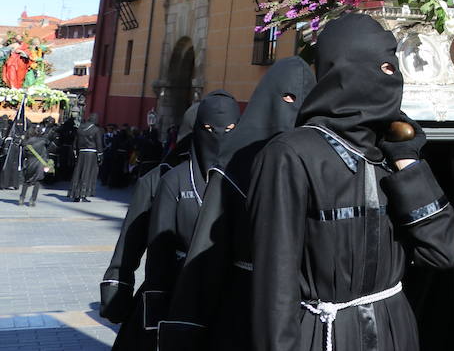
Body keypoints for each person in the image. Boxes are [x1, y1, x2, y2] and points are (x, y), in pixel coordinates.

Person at [249, 13, 454, 351]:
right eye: (385, 67)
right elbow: (275, 287)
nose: (395, 78)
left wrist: (407, 162)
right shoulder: (290, 155)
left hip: (394, 331)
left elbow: (440, 253)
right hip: (326, 334)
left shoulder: (392, 151)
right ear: (350, 68)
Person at [159, 57, 316, 351]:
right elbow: (208, 251)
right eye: (287, 98)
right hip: (244, 298)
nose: (293, 109)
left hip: (307, 307)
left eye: (302, 101)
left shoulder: (320, 161)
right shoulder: (234, 164)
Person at [144, 91, 241, 335]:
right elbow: (159, 250)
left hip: (230, 292)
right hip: (182, 288)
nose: (219, 136)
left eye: (230, 129)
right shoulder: (173, 181)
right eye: (209, 128)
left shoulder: (246, 181)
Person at [100, 105, 197, 351]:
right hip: (164, 289)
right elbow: (130, 242)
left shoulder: (231, 180)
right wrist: (117, 287)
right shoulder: (156, 179)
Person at [69, 112, 102, 202]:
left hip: (81, 153)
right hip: (91, 154)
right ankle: (83, 194)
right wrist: (100, 156)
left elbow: (75, 143)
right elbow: (99, 144)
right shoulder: (96, 129)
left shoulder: (80, 129)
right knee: (88, 173)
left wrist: (75, 153)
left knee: (78, 173)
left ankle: (75, 194)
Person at [18, 123, 54, 206]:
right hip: (40, 164)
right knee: (37, 182)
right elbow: (48, 145)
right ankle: (32, 200)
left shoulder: (26, 143)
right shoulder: (42, 141)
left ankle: (22, 198)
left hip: (29, 163)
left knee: (26, 182)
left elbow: (24, 155)